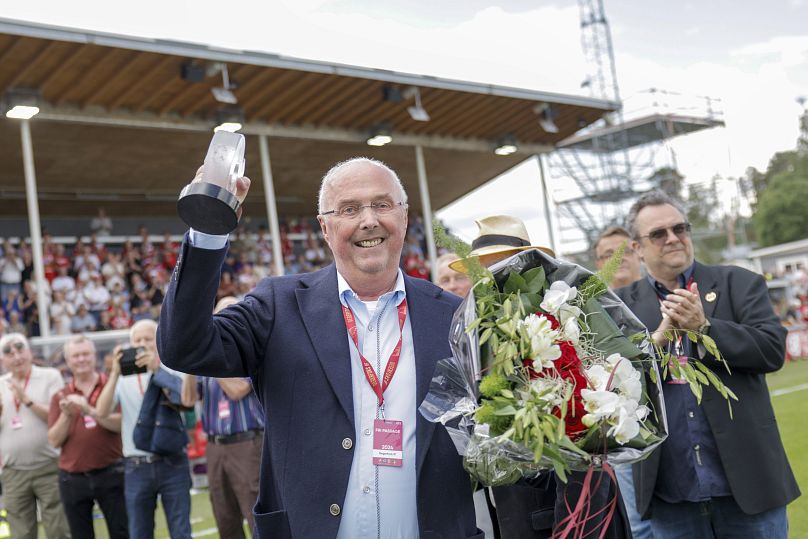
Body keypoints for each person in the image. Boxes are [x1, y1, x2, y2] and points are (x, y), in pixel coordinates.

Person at [158, 157, 482, 538]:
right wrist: (208, 228)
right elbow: (184, 347)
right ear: (325, 228)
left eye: (382, 204)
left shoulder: (454, 315)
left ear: (405, 216)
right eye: (349, 209)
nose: (369, 220)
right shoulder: (279, 305)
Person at [616, 190, 800, 537]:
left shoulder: (738, 283)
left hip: (749, 488)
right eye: (658, 234)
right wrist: (654, 344)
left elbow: (773, 350)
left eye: (680, 228)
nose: (673, 238)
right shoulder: (620, 306)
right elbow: (610, 383)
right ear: (637, 248)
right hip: (671, 494)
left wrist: (705, 328)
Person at [451, 215, 629, 539]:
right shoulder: (478, 325)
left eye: (501, 263)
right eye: (481, 267)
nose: (491, 275)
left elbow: (587, 420)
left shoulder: (560, 313)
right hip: (515, 510)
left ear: (527, 262)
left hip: (568, 509)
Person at [95, 319, 192, 539]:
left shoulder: (172, 368)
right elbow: (101, 411)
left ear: (158, 341)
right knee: (139, 532)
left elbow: (185, 401)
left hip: (172, 461)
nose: (142, 344)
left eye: (148, 339)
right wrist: (114, 373)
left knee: (181, 531)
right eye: (137, 340)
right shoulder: (123, 376)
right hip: (137, 465)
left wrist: (157, 370)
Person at [181, 296, 264, 538]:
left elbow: (238, 390)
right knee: (224, 515)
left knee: (254, 511)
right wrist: (189, 363)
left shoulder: (252, 352)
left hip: (247, 444)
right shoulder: (209, 363)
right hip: (215, 446)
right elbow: (187, 401)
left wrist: (206, 359)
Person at [593, 225, 649, 539]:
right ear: (599, 264)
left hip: (674, 426)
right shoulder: (590, 310)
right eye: (606, 254)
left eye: (623, 250)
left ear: (637, 252)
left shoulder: (661, 298)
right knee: (638, 523)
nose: (617, 259)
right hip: (622, 435)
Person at [47, 335, 128, 538]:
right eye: (76, 356)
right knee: (80, 534)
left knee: (122, 532)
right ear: (68, 361)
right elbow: (54, 440)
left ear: (94, 356)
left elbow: (121, 425)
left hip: (111, 472)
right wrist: (67, 415)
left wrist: (89, 410)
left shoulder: (111, 385)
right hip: (73, 478)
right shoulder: (60, 395)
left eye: (85, 354)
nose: (81, 359)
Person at [0, 333, 70, 539]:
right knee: (21, 534)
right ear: (2, 360)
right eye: (8, 352)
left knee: (59, 531)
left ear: (30, 352)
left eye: (20, 349)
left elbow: (59, 415)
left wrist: (26, 400)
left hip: (50, 464)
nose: (16, 356)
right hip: (14, 471)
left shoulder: (50, 376)